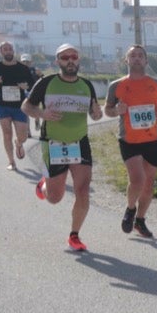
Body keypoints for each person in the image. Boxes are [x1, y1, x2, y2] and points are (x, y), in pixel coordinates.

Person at [24, 43, 102, 253]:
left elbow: (96, 113)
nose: (70, 60)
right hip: (53, 142)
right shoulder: (46, 82)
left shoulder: (86, 85)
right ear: (57, 61)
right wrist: (42, 115)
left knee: (83, 190)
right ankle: (43, 185)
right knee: (54, 198)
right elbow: (26, 106)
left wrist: (97, 113)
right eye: (64, 57)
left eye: (73, 56)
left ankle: (74, 236)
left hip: (80, 142)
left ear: (78, 60)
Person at [104, 44, 157, 238]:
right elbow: (107, 110)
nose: (136, 59)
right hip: (129, 139)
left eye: (140, 56)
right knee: (137, 179)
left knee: (148, 184)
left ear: (146, 61)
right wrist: (116, 111)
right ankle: (130, 209)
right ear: (126, 60)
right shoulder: (116, 85)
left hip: (152, 139)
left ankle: (140, 220)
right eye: (132, 56)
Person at [0, 41, 34, 171]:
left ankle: (19, 143)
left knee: (22, 135)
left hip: (19, 105)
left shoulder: (23, 68)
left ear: (13, 51)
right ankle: (11, 162)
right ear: (1, 52)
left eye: (10, 49)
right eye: (5, 49)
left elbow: (33, 85)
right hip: (2, 105)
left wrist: (26, 86)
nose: (8, 51)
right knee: (6, 133)